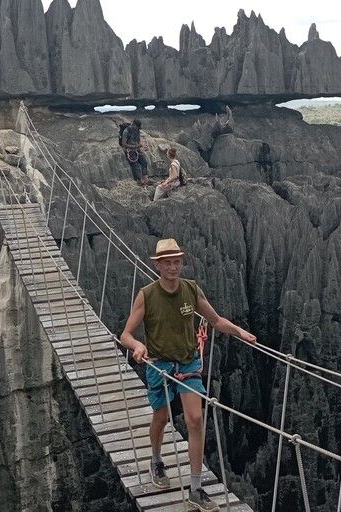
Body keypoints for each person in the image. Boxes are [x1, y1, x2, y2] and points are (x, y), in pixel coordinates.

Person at [120, 238, 257, 512]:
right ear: (158, 266)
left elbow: (215, 320)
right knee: (161, 417)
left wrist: (239, 331)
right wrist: (137, 346)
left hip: (188, 363)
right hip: (160, 365)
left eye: (177, 262)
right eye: (167, 263)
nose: (173, 267)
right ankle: (156, 460)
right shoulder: (147, 295)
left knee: (195, 420)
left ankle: (195, 488)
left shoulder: (191, 290)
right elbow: (125, 335)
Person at [121, 118, 150, 185]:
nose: (138, 129)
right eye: (137, 127)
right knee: (135, 164)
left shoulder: (137, 130)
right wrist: (135, 146)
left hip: (137, 149)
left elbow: (138, 141)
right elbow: (124, 144)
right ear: (133, 125)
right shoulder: (126, 131)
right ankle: (139, 181)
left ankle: (146, 179)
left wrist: (142, 147)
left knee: (144, 161)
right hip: (129, 151)